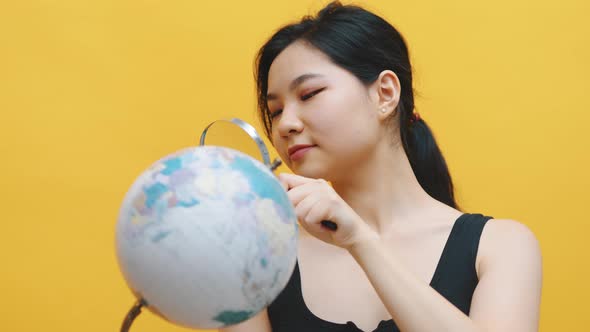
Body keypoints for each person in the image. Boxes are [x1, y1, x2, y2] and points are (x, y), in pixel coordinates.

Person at [222, 1, 542, 331]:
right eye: (274, 112)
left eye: (309, 93)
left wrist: (359, 240)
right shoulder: (261, 257)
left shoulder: (500, 245)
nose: (285, 124)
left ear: (385, 94)